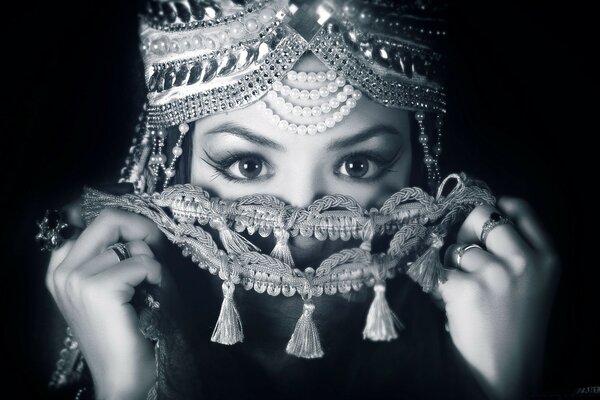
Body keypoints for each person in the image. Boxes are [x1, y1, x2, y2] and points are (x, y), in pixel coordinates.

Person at [38, 1, 560, 399]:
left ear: (423, 164)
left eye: (357, 166)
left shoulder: (505, 307)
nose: (302, 229)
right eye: (247, 166)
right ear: (170, 163)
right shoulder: (87, 305)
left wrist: (500, 384)